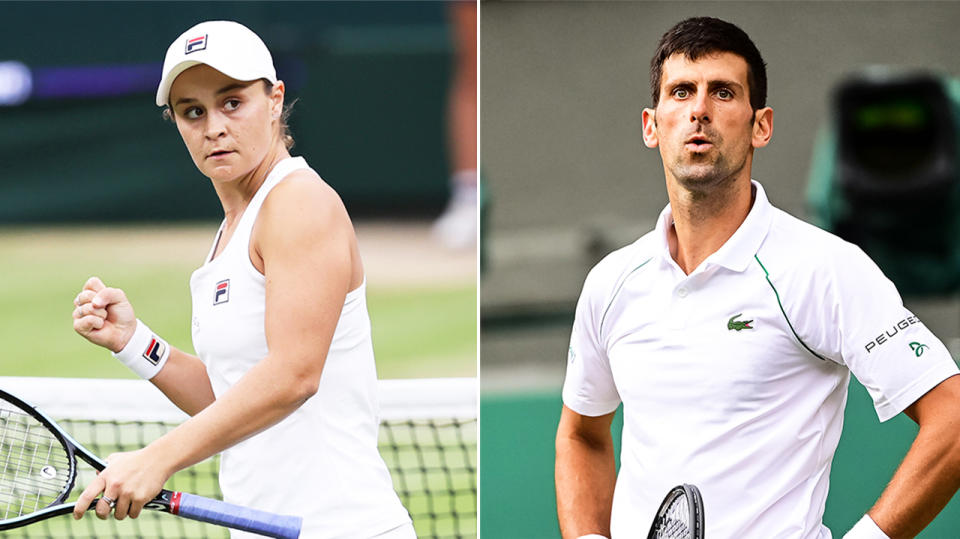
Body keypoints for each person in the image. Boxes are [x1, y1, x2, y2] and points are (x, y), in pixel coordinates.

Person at [555, 16, 960, 539]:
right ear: (651, 126)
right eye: (681, 92)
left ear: (760, 125)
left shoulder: (825, 268)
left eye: (723, 92)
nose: (699, 109)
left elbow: (951, 418)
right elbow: (582, 435)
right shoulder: (610, 283)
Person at [70, 20, 415, 538]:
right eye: (193, 112)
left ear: (275, 100)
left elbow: (294, 375)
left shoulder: (299, 202)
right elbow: (231, 397)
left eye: (232, 103)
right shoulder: (231, 232)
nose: (213, 127)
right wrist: (135, 342)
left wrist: (157, 458)